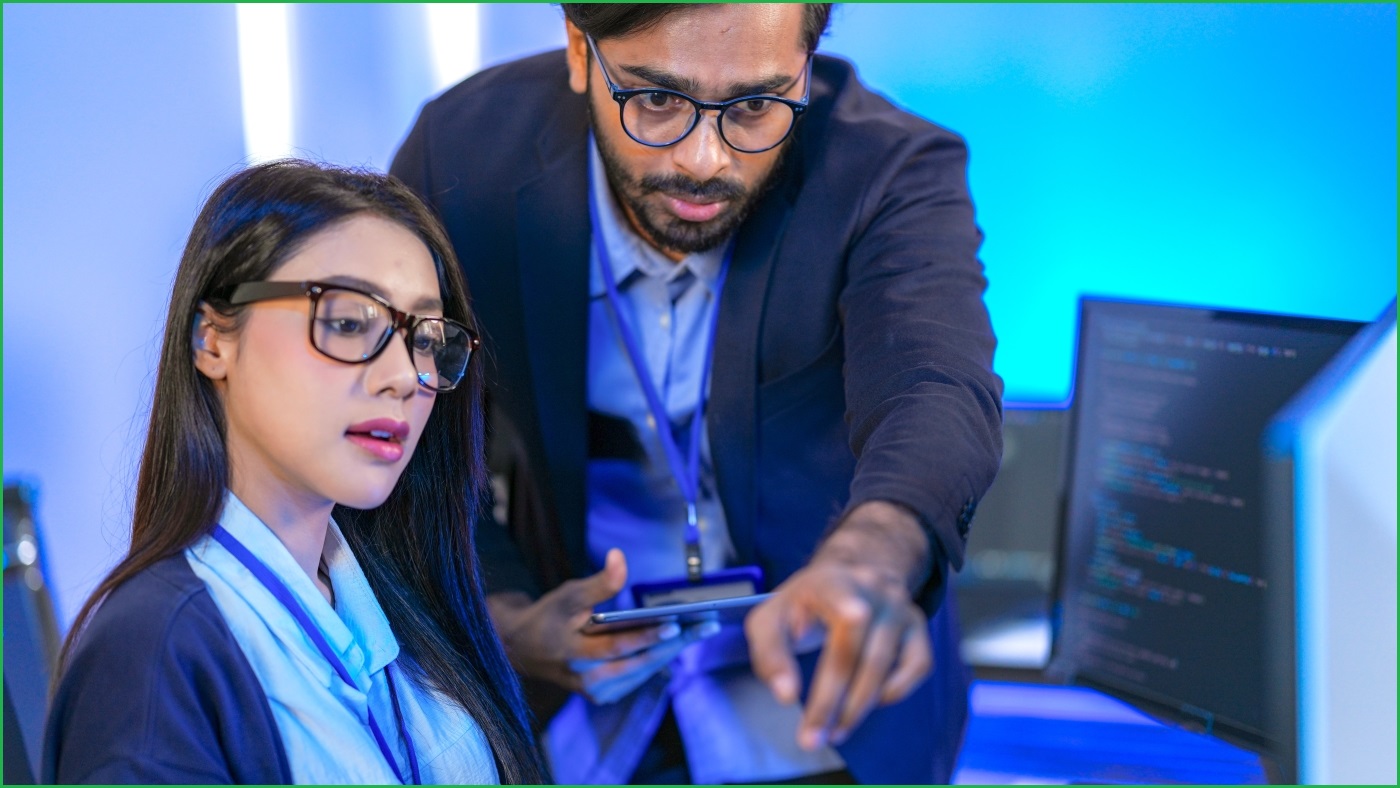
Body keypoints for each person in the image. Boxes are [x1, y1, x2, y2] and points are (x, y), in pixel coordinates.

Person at [391, 3, 1003, 784]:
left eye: (753, 106)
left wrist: (871, 557)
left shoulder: (887, 168)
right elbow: (410, 432)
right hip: (579, 707)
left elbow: (936, 386)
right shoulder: (465, 153)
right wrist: (505, 615)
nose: (705, 159)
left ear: (807, 67)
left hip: (823, 712)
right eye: (655, 101)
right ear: (581, 51)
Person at [42, 160, 548, 785]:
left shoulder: (398, 595)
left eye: (423, 336)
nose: (400, 376)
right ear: (213, 340)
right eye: (345, 322)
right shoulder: (153, 653)